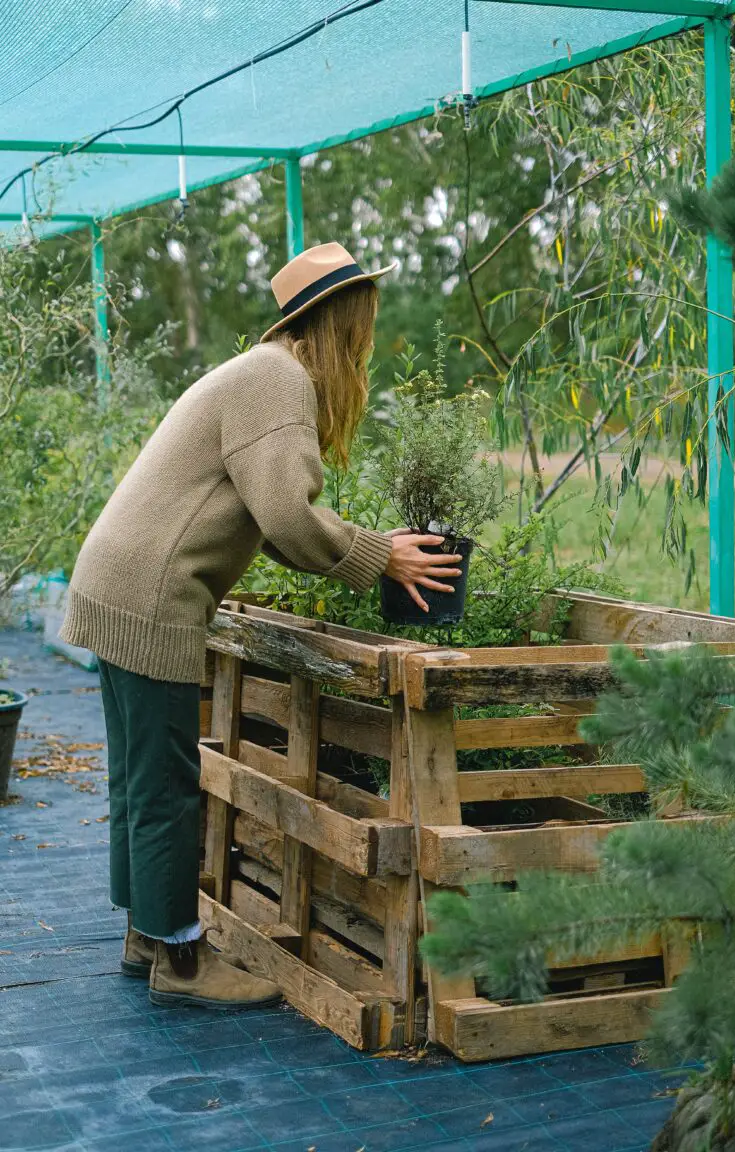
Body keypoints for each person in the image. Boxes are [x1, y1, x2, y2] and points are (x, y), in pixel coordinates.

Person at [60, 241, 463, 1011]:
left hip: (120, 581)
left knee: (141, 774)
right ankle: (179, 959)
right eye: (365, 321)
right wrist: (384, 560)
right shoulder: (280, 378)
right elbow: (285, 512)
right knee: (168, 783)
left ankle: (148, 935)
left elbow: (273, 522)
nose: (368, 339)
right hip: (151, 592)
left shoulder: (261, 371)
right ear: (340, 318)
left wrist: (361, 552)